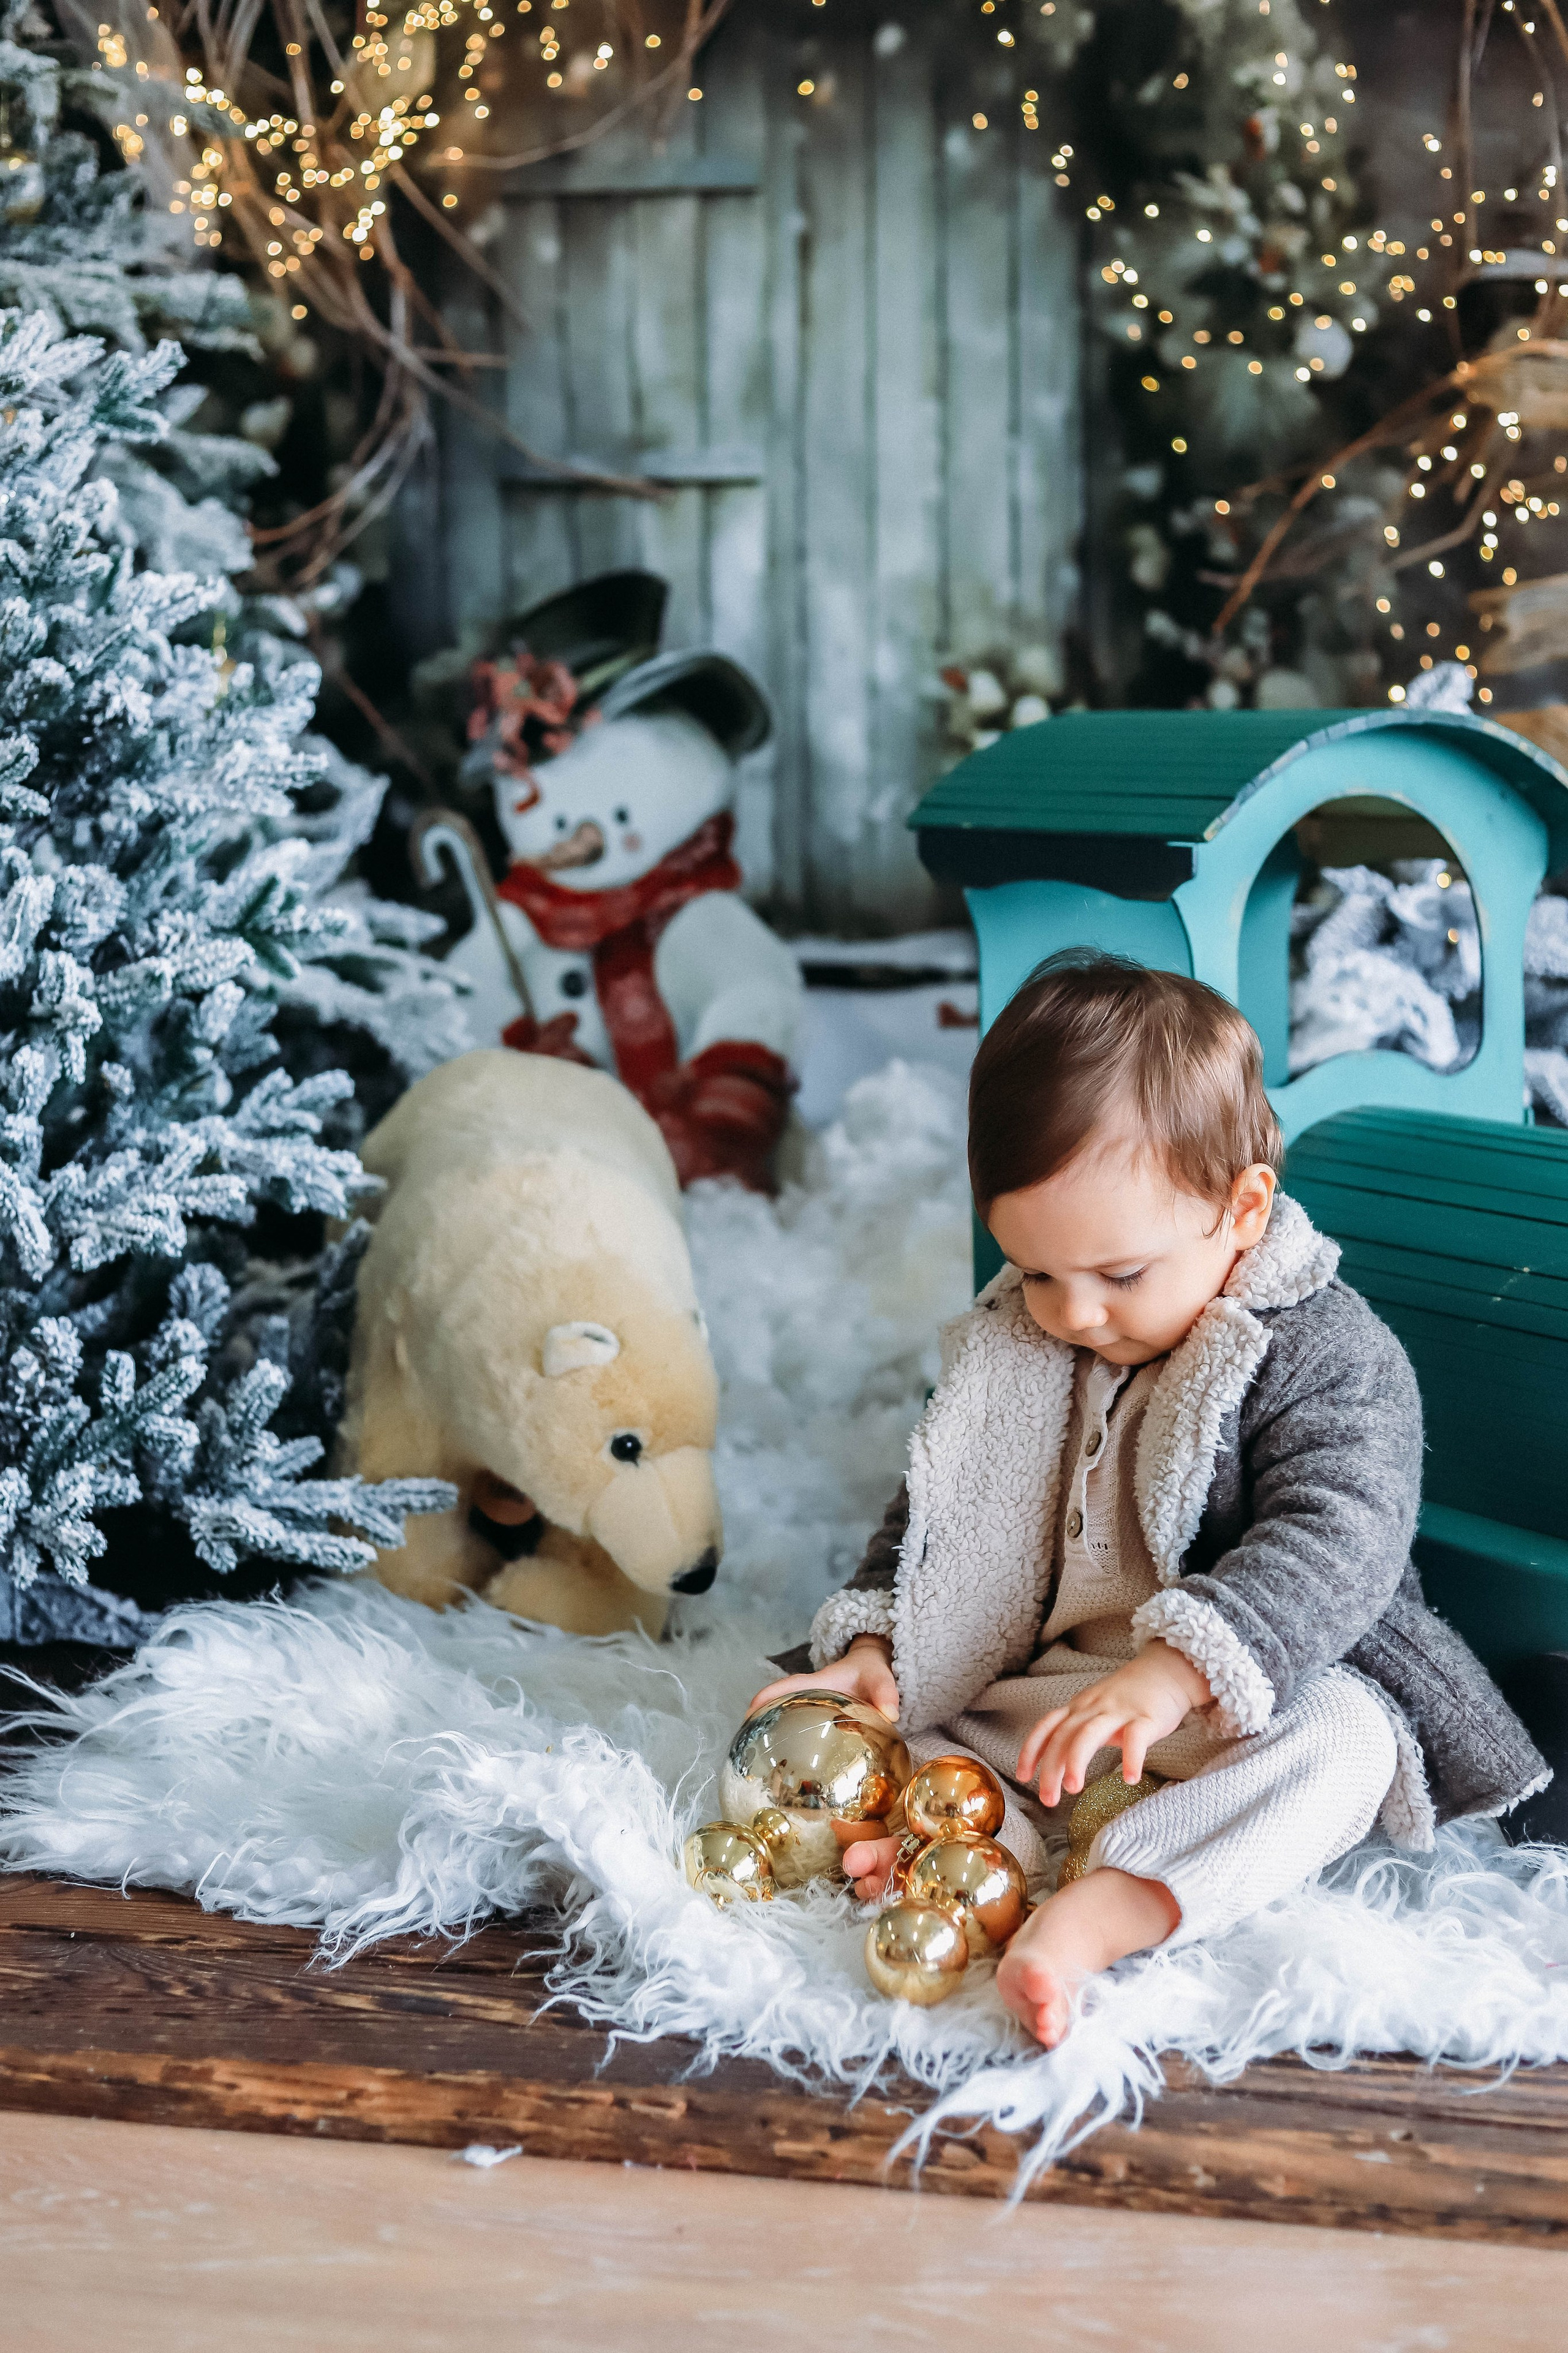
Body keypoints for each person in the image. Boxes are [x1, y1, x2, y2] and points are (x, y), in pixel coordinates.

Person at [752, 954, 1548, 2047]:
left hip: (1234, 1703)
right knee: (883, 1720)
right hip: (1047, 1696)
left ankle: (1117, 1900)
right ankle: (980, 1850)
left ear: (1242, 1208)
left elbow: (1341, 1536)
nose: (1074, 1313)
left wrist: (1179, 1671)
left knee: (1352, 1744)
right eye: (1037, 1271)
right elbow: (937, 1506)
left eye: (1119, 1275)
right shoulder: (1022, 1339)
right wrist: (878, 1644)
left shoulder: (1325, 1354)